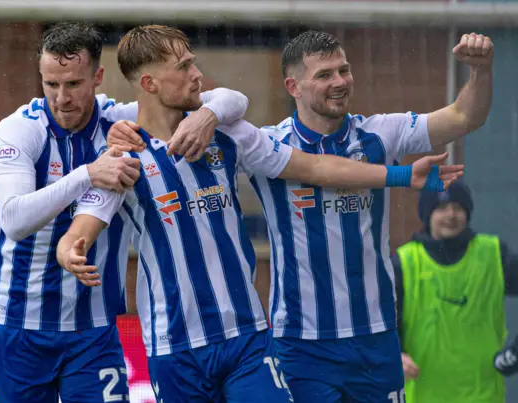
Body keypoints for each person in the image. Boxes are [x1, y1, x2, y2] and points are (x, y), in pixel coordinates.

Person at [57, 25, 463, 403]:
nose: (198, 74)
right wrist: (70, 251)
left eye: (194, 62)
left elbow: (314, 167)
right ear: (149, 84)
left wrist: (401, 174)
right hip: (174, 345)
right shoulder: (120, 158)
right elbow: (82, 228)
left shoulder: (227, 135)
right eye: (184, 67)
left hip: (247, 337)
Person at [0, 21, 251, 403]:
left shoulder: (119, 119)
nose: (61, 98)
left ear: (98, 77)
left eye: (74, 84)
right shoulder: (19, 130)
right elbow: (14, 221)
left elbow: (233, 100)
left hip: (93, 326)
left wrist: (205, 116)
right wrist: (88, 174)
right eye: (51, 84)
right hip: (18, 323)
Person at [393, 180, 518, 403]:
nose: (451, 215)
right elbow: (377, 324)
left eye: (458, 207)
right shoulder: (404, 263)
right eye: (441, 207)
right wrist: (392, 355)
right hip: (422, 395)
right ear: (427, 214)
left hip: (483, 396)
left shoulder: (494, 255)